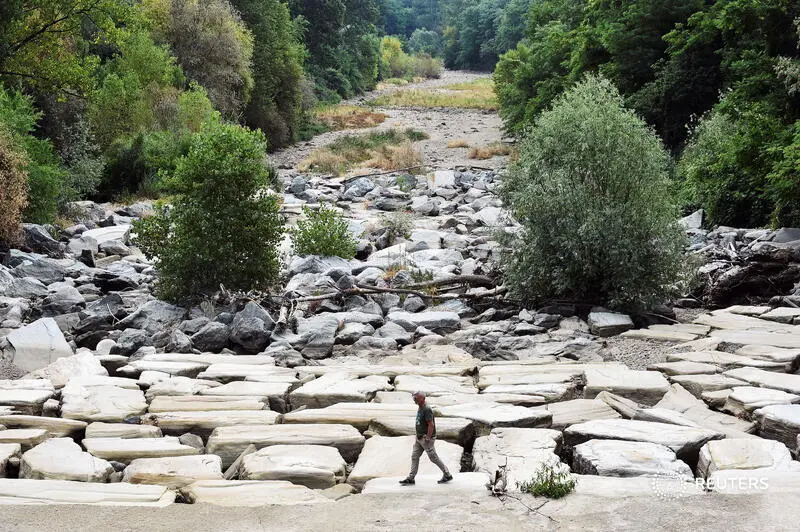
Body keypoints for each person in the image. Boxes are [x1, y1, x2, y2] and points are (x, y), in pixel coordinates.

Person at [399, 391, 453, 485]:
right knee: (415, 456)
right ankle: (411, 478)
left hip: (425, 438)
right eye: (414, 398)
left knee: (433, 458)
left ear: (423, 399)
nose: (414, 399)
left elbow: (431, 425)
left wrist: (428, 437)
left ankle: (447, 474)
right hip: (419, 438)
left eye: (416, 398)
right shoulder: (420, 407)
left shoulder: (427, 409)